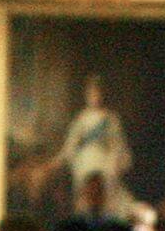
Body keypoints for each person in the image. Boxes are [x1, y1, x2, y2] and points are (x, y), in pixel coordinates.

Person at [46, 74, 135, 219]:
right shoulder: (81, 118)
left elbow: (117, 144)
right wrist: (56, 161)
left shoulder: (111, 119)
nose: (94, 97)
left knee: (109, 194)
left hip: (105, 161)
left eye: (97, 93)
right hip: (84, 162)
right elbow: (71, 145)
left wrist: (115, 161)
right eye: (91, 93)